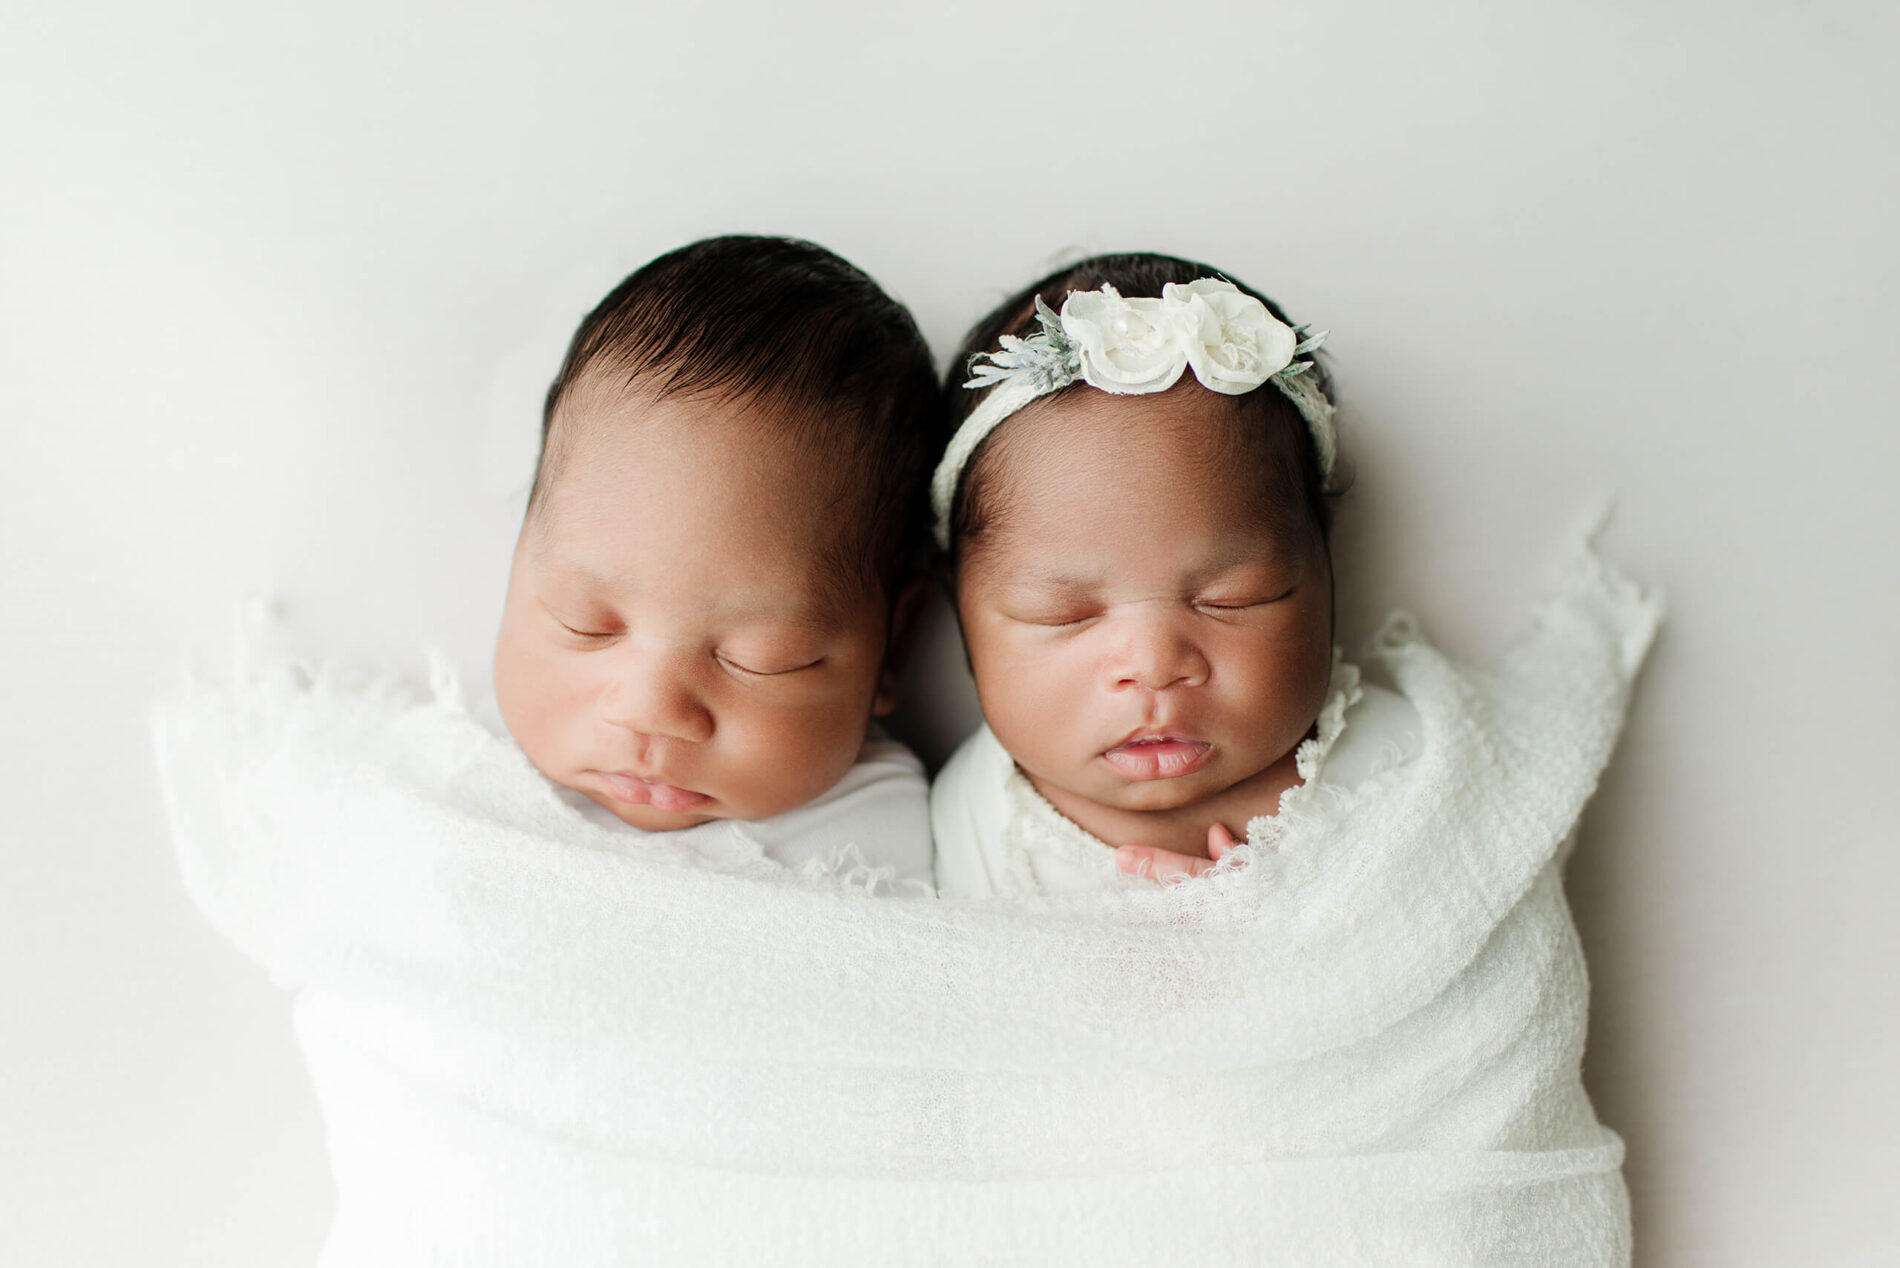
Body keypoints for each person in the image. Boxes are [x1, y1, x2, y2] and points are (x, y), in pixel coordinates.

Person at [929, 252, 1421, 898]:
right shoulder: (979, 817)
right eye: (1064, 613)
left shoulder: (1401, 765)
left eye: (1232, 599)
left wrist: (1275, 941)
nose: (1156, 665)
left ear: (1323, 565)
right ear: (959, 609)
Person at [492, 235, 943, 888]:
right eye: (583, 621)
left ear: (892, 647)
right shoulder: (448, 767)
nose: (649, 709)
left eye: (762, 658)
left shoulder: (891, 841)